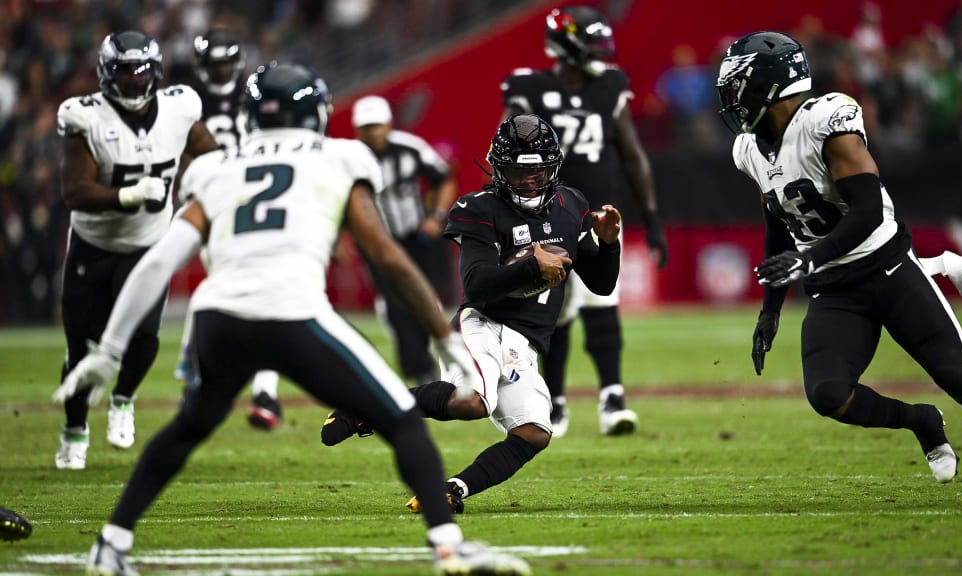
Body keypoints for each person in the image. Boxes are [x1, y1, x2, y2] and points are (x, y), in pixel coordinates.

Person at [53, 61, 530, 576]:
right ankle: (448, 549)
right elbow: (387, 257)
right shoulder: (340, 157)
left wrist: (108, 351)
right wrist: (444, 335)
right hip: (292, 314)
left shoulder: (215, 167)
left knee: (188, 427)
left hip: (219, 320)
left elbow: (159, 260)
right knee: (401, 419)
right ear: (314, 111)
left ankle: (111, 544)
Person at [716, 31, 962, 506]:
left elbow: (868, 213)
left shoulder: (826, 119)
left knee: (961, 378)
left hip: (887, 270)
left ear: (769, 84)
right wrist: (769, 310)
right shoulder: (751, 149)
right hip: (833, 288)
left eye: (738, 86)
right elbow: (778, 225)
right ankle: (921, 421)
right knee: (828, 394)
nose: (732, 100)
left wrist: (808, 256)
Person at [323, 114, 621, 514]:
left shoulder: (572, 205)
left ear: (553, 169)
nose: (529, 182)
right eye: (518, 172)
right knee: (472, 402)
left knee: (534, 432)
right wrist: (532, 268)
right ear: (499, 170)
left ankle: (452, 490)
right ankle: (369, 408)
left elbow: (601, 283)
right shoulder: (479, 208)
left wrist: (608, 243)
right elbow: (477, 285)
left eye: (538, 172)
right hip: (483, 324)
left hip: (526, 343)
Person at [500, 5, 668, 438]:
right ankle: (553, 401)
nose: (600, 51)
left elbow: (631, 153)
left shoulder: (610, 85)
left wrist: (651, 219)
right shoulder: (529, 88)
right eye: (591, 43)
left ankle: (612, 396)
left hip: (598, 214)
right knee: (552, 311)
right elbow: (505, 150)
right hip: (547, 216)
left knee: (603, 303)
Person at [54, 30, 218, 469]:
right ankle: (74, 430)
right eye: (126, 71)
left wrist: (212, 177)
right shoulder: (83, 116)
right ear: (109, 74)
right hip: (93, 246)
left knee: (145, 335)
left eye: (142, 70)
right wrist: (128, 195)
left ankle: (123, 399)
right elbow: (74, 191)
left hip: (148, 244)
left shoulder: (180, 107)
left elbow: (207, 151)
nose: (135, 79)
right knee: (82, 351)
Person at [179, 28, 284, 430]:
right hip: (214, 206)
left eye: (227, 62)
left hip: (255, 207)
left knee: (263, 296)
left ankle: (263, 390)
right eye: (215, 63)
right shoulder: (189, 101)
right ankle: (200, 374)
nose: (222, 70)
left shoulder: (254, 92)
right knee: (227, 292)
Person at [351, 94, 457, 386]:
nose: (373, 132)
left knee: (430, 299)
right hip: (377, 242)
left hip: (416, 236)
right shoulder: (349, 158)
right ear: (357, 129)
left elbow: (444, 178)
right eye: (366, 126)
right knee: (397, 306)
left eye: (377, 125)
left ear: (388, 123)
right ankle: (421, 371)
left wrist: (435, 216)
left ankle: (447, 360)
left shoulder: (409, 148)